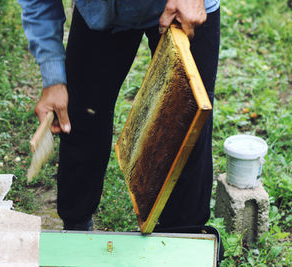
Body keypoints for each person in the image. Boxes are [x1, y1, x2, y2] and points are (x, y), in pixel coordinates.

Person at [18, 0, 220, 230]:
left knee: (186, 123)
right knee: (83, 115)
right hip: (102, 11)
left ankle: (182, 237)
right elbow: (38, 3)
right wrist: (53, 77)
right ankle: (77, 229)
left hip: (180, 7)